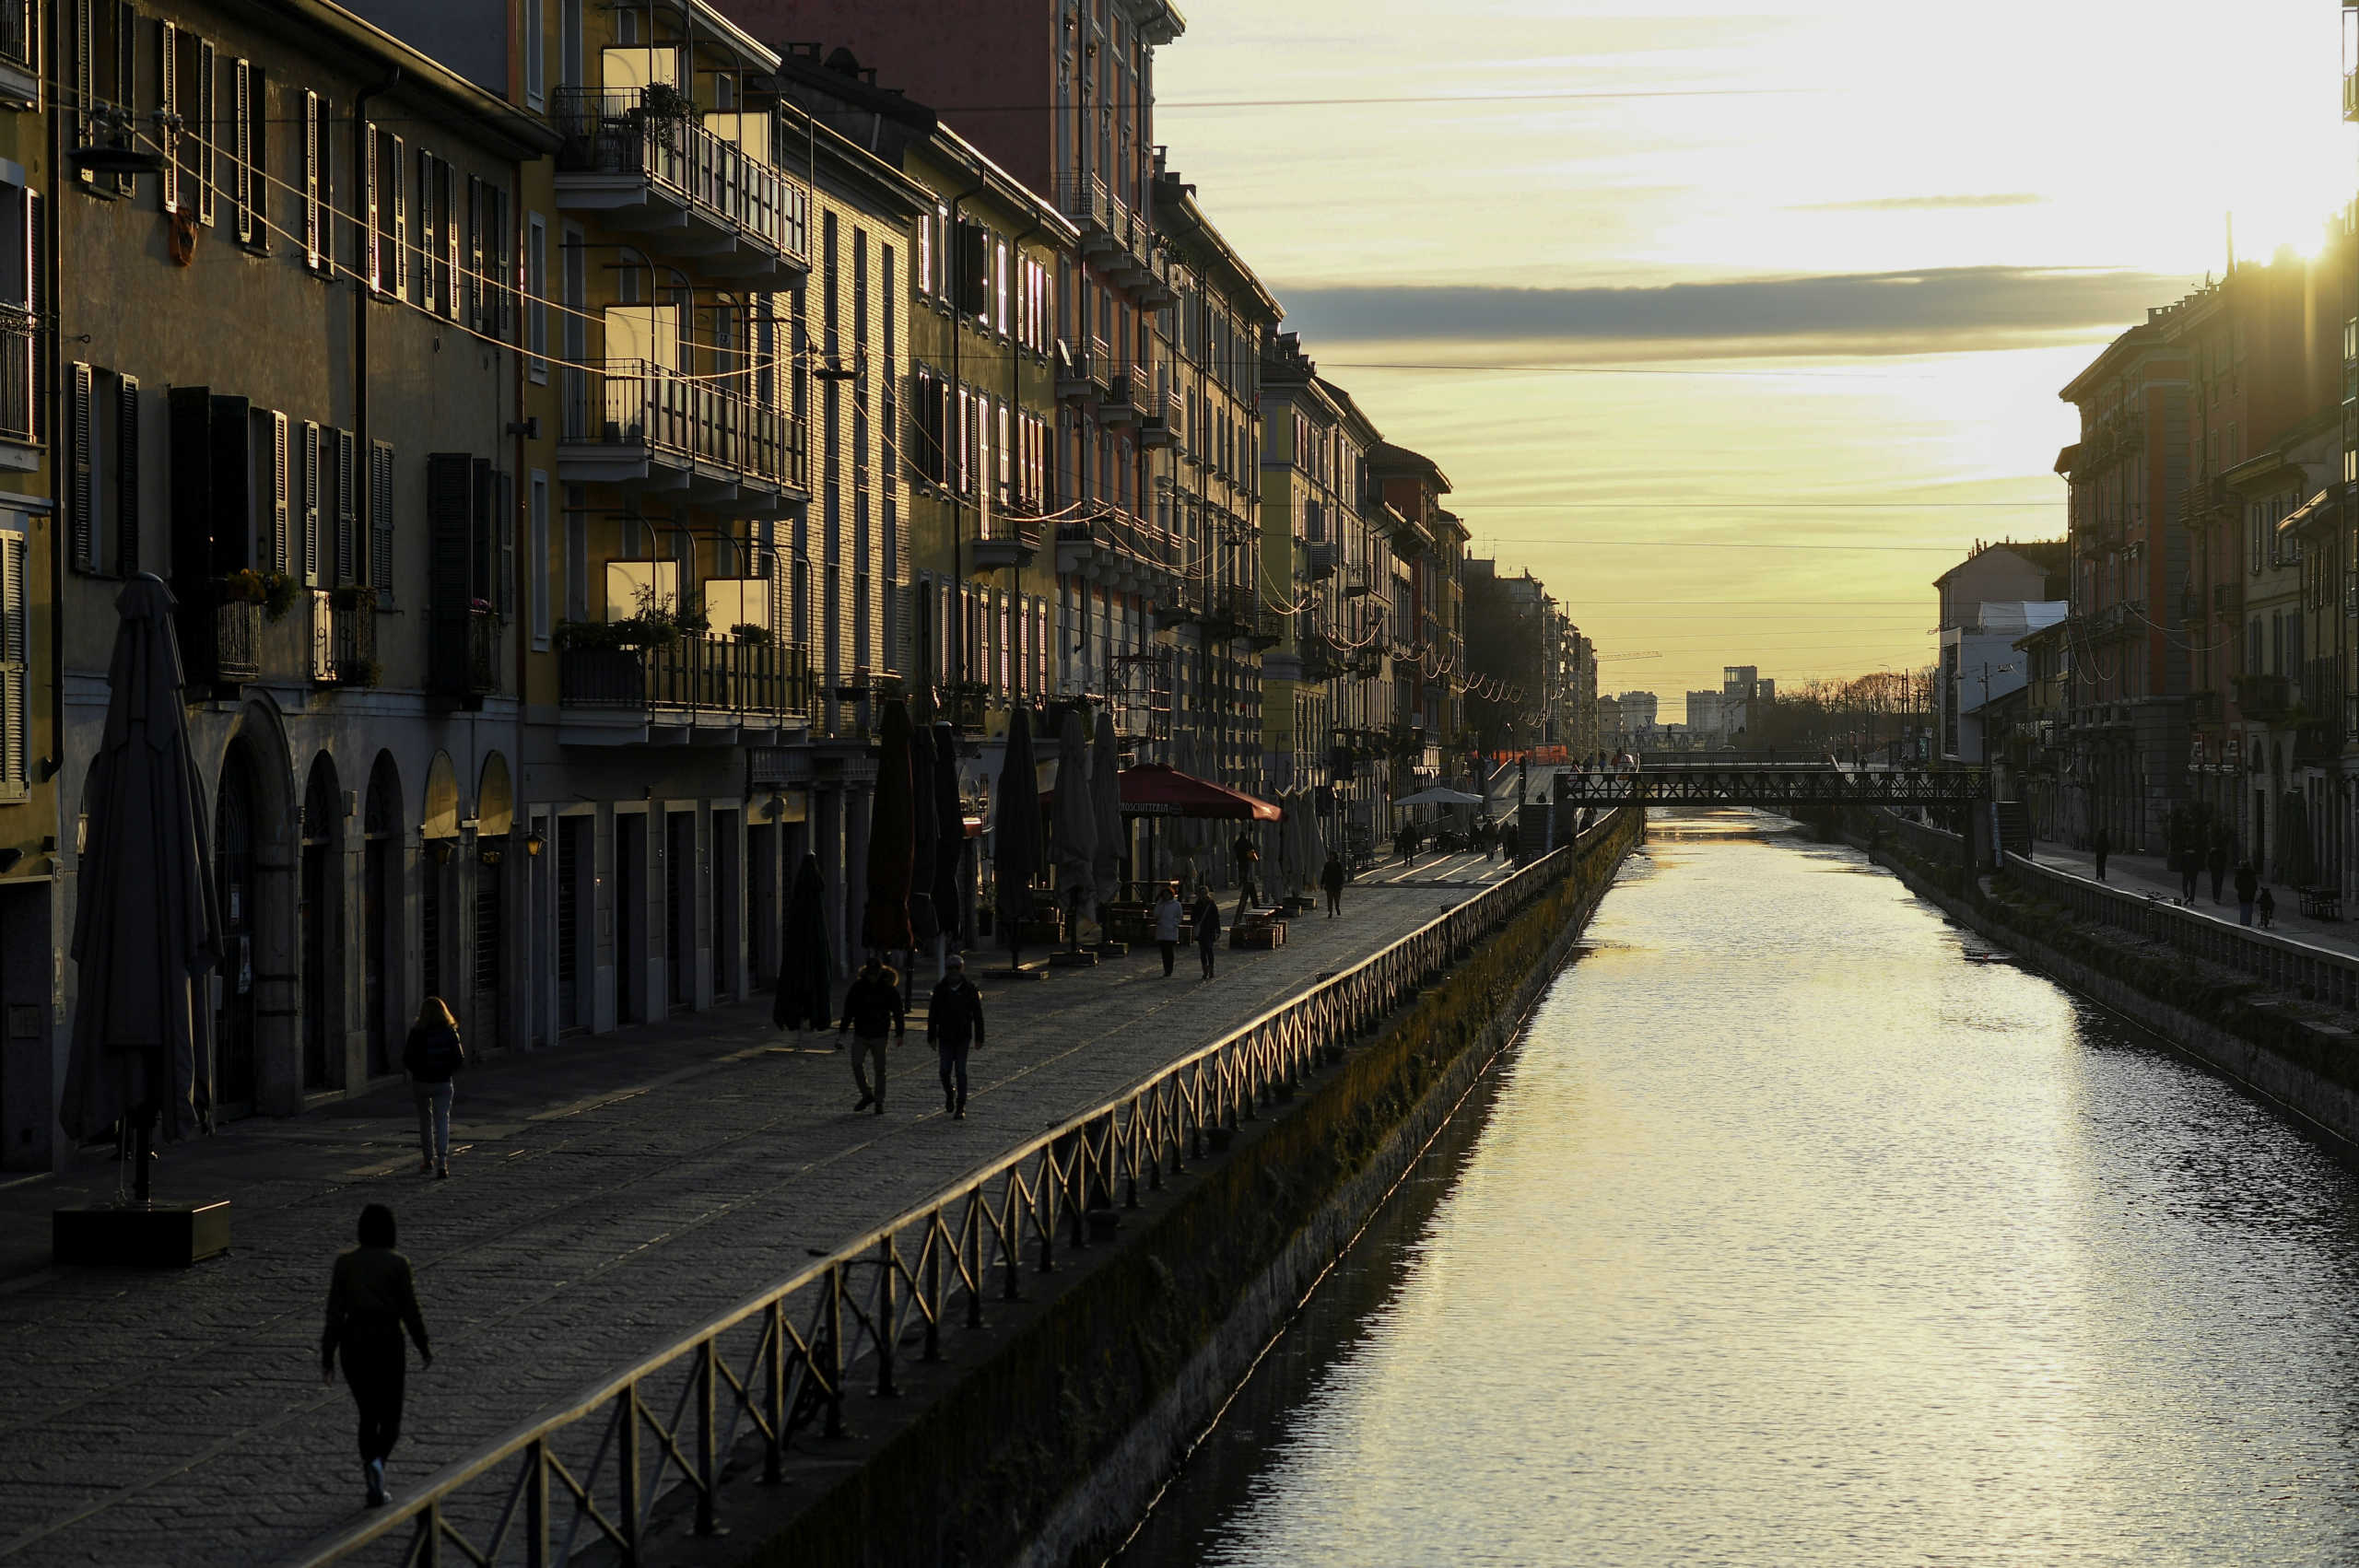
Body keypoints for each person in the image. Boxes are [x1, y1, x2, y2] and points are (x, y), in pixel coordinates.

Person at [321, 1203, 431, 1508]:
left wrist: (327, 1354)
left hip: (354, 1343)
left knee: (368, 1414)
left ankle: (372, 1472)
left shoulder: (344, 1264)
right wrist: (423, 1345)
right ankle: (378, 1465)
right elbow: (411, 1310)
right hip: (386, 1342)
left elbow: (334, 1314)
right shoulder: (398, 1264)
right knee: (391, 1419)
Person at [402, 998, 464, 1180]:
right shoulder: (450, 1032)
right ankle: (442, 1163)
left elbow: (407, 1057)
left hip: (421, 1082)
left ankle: (428, 1160)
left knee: (425, 1122)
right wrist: (447, 1071)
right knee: (442, 1121)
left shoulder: (417, 1032)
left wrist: (418, 1072)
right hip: (443, 1082)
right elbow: (459, 1059)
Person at [837, 956, 907, 1115]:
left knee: (880, 1069)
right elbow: (849, 1010)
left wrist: (899, 1032)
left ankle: (879, 1101)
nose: (872, 976)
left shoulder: (888, 989)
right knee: (856, 1064)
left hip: (880, 1034)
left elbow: (897, 1011)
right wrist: (843, 1030)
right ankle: (867, 1094)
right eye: (870, 973)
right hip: (861, 1033)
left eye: (875, 973)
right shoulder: (858, 987)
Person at [926, 954, 985, 1118]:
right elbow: (933, 1014)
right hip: (945, 1036)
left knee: (960, 1071)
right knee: (944, 1070)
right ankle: (949, 1093)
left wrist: (979, 1037)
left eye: (956, 968)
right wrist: (931, 1036)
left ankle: (961, 1105)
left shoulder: (969, 988)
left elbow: (977, 1014)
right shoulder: (940, 989)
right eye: (949, 968)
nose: (953, 972)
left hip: (962, 1036)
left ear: (961, 969)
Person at [1153, 883, 1184, 977]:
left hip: (1171, 931)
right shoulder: (1160, 904)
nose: (1166, 896)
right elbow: (1156, 914)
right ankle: (1166, 969)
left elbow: (1180, 917)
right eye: (1164, 895)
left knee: (1169, 951)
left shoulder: (1176, 904)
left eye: (1167, 894)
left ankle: (1169, 969)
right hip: (1162, 931)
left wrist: (1174, 924)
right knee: (1163, 952)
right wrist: (1159, 904)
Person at [1191, 885, 1222, 980]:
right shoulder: (1197, 904)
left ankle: (1211, 969)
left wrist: (1218, 930)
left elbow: (1216, 917)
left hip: (1210, 930)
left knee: (1209, 949)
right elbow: (1193, 917)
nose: (1203, 895)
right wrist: (1195, 923)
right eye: (1201, 893)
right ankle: (1205, 970)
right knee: (1203, 951)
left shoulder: (1211, 903)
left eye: (1204, 893)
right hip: (1201, 931)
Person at [1232, 830, 1261, 907]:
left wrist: (1238, 853)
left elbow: (1234, 848)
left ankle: (1242, 880)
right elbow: (1252, 848)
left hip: (1240, 859)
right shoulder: (1247, 841)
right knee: (1246, 870)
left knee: (1241, 870)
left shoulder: (1238, 842)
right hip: (1246, 859)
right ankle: (1245, 880)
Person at [1320, 852, 1346, 919]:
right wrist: (1322, 882)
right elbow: (1324, 873)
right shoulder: (1327, 864)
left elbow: (1341, 874)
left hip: (1337, 884)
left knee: (1337, 899)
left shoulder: (1338, 864)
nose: (1331, 857)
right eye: (1330, 855)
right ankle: (1330, 912)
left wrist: (1341, 883)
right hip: (1329, 884)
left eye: (1332, 856)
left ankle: (1337, 907)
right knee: (1329, 899)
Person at [2236, 860, 2259, 927]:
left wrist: (2240, 889)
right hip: (2250, 894)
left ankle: (2242, 922)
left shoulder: (2239, 874)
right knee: (2249, 908)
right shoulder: (2252, 874)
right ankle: (2248, 922)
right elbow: (2255, 885)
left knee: (2243, 908)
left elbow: (2236, 884)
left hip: (2242, 893)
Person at [2207, 837, 2231, 905]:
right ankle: (2217, 898)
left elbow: (2209, 862)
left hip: (2214, 870)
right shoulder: (2222, 852)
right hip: (2220, 870)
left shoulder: (2212, 852)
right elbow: (2225, 861)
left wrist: (2211, 869)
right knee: (2219, 885)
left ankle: (2215, 897)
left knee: (2214, 884)